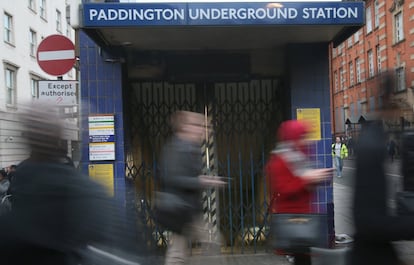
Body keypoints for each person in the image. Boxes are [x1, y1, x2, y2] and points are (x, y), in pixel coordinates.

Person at [351, 70, 414, 265]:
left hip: (377, 252)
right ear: (389, 101)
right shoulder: (372, 146)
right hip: (371, 255)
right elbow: (369, 222)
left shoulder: (374, 138)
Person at [160, 110, 224, 265]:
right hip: (180, 209)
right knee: (210, 242)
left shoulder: (189, 147)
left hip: (187, 210)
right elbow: (172, 178)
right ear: (185, 127)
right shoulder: (177, 148)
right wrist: (201, 181)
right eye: (198, 125)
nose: (204, 129)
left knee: (181, 251)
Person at [266, 120, 333, 265]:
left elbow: (304, 181)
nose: (305, 140)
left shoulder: (300, 157)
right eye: (302, 136)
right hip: (292, 220)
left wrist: (319, 177)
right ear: (292, 137)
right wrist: (307, 179)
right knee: (302, 258)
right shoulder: (279, 159)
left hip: (305, 219)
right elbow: (282, 189)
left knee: (303, 258)